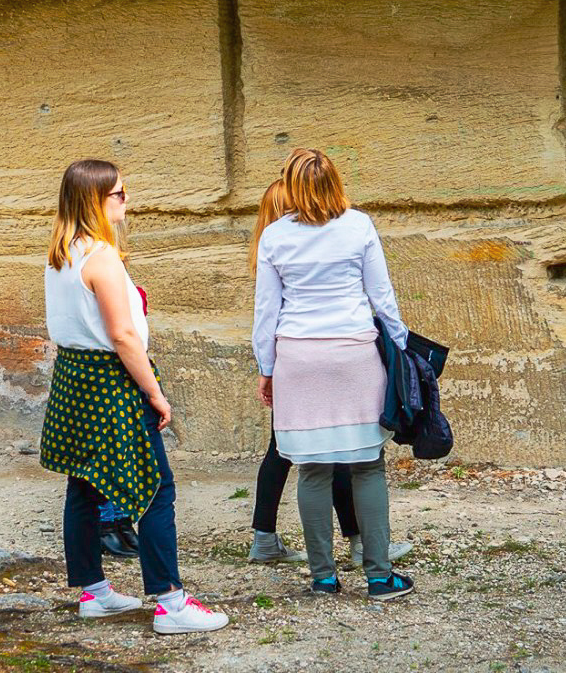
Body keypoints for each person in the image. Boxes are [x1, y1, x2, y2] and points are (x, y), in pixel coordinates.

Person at [39, 159, 228, 635]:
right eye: (119, 194)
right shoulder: (100, 257)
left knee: (84, 483)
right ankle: (170, 602)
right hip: (108, 382)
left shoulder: (62, 253)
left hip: (73, 380)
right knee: (156, 488)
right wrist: (155, 392)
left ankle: (94, 592)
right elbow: (123, 335)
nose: (127, 200)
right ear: (95, 201)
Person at [253, 149, 416, 601]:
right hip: (353, 354)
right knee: (367, 466)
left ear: (290, 184)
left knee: (311, 470)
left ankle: (323, 577)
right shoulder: (358, 225)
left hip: (298, 359)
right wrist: (401, 350)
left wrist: (266, 368)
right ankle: (380, 577)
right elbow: (381, 295)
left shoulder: (274, 236)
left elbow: (267, 310)